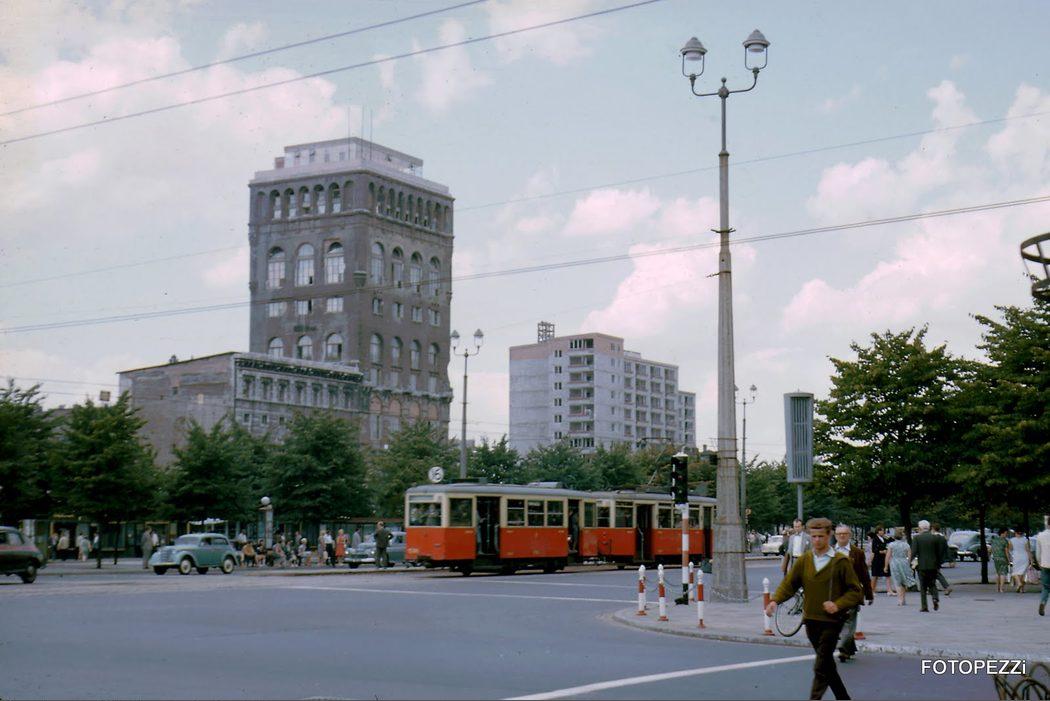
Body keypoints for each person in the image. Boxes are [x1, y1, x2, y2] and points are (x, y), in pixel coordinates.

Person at [767, 517, 863, 700]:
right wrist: (775, 600)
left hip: (832, 621)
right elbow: (789, 584)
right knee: (826, 664)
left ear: (829, 535)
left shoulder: (840, 561)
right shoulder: (805, 560)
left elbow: (855, 591)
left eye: (821, 536)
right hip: (811, 620)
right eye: (814, 536)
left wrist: (838, 604)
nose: (817, 540)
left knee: (820, 665)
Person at [833, 524, 874, 662]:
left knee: (849, 620)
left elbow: (864, 574)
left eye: (844, 533)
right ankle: (849, 648)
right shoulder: (830, 551)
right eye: (839, 534)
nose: (842, 536)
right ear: (835, 536)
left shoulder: (857, 553)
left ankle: (842, 647)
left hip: (852, 593)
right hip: (835, 594)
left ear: (849, 536)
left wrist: (869, 593)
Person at [911, 520, 947, 612]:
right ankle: (935, 598)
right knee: (932, 583)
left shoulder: (917, 538)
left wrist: (910, 562)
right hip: (933, 565)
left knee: (923, 586)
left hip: (921, 565)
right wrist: (938, 562)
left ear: (920, 528)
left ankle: (924, 606)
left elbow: (914, 552)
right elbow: (939, 552)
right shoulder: (935, 538)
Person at [885, 529, 914, 606]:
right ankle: (903, 599)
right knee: (903, 581)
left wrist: (886, 566)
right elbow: (909, 556)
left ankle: (900, 599)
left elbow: (888, 556)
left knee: (897, 581)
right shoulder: (906, 545)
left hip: (894, 563)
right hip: (904, 562)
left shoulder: (891, 545)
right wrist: (908, 564)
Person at [929, 523, 953, 596]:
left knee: (935, 573)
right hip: (940, 558)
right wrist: (950, 560)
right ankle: (932, 589)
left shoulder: (932, 537)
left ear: (932, 528)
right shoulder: (942, 538)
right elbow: (947, 549)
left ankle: (946, 587)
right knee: (934, 573)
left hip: (932, 558)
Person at [1007, 528, 1032, 594]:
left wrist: (1009, 557)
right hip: (1025, 557)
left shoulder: (1011, 540)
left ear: (1015, 533)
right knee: (1022, 573)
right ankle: (1021, 589)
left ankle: (1019, 583)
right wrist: (1031, 560)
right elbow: (1028, 550)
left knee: (1015, 572)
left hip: (1016, 557)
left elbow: (1010, 549)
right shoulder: (1025, 540)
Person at [868, 525, 891, 596]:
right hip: (877, 559)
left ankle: (889, 590)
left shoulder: (884, 538)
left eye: (883, 530)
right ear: (878, 531)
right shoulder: (875, 539)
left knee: (887, 574)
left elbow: (892, 540)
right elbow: (874, 550)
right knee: (875, 575)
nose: (883, 532)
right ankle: (872, 590)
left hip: (884, 559)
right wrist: (882, 551)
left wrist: (887, 536)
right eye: (881, 530)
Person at [1035, 517, 1050, 616]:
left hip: (1045, 564)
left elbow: (1038, 552)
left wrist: (1039, 562)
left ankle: (1043, 602)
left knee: (1046, 587)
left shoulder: (1040, 535)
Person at [990, 528, 1011, 593]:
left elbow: (991, 549)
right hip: (1003, 558)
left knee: (998, 573)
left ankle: (997, 588)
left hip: (996, 558)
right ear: (1003, 533)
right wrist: (1009, 560)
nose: (1006, 534)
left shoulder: (994, 540)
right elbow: (1006, 552)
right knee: (1003, 573)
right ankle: (1001, 588)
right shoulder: (1005, 541)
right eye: (1006, 533)